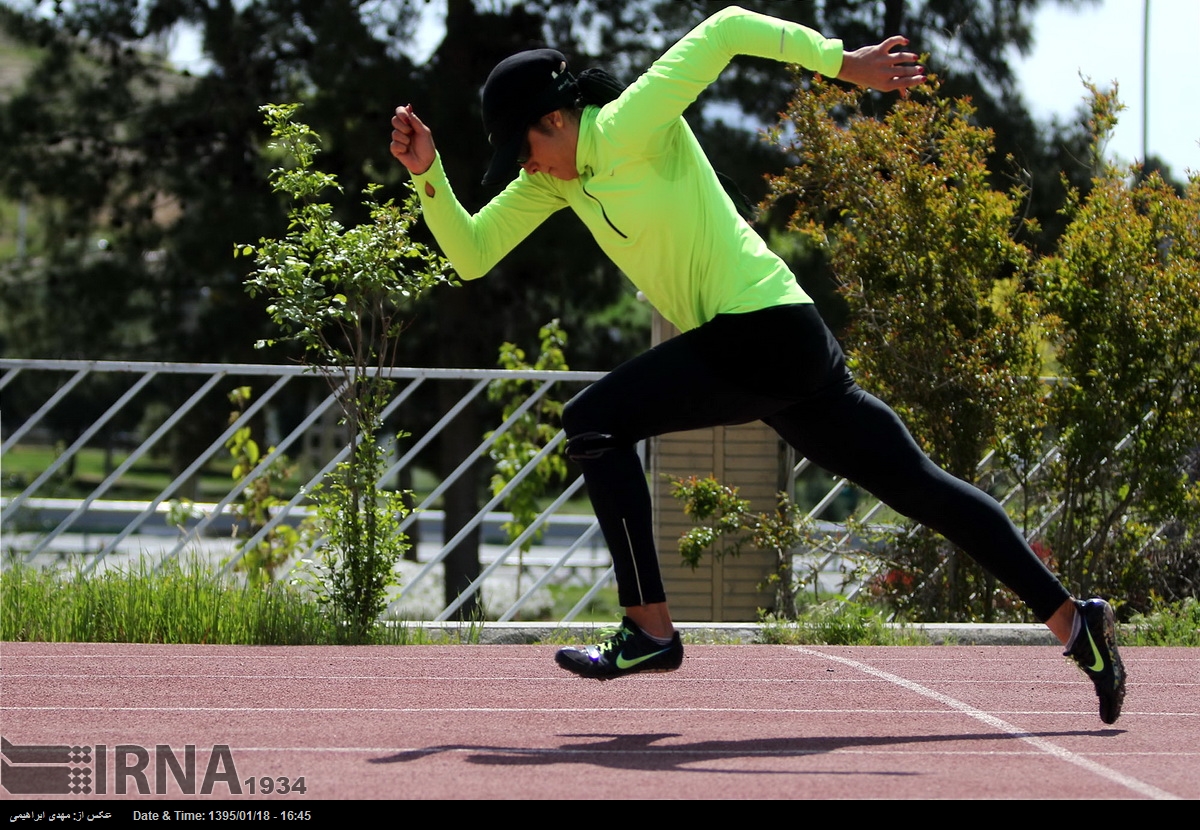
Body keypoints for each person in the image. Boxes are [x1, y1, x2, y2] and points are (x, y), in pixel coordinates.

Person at [390, 5, 1126, 724]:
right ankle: (1075, 622)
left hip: (766, 331)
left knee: (594, 420)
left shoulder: (628, 124)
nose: (523, 167)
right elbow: (471, 253)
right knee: (918, 487)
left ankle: (649, 630)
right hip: (776, 342)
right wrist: (429, 174)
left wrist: (847, 65)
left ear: (553, 118)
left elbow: (730, 27)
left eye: (521, 149)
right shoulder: (554, 181)